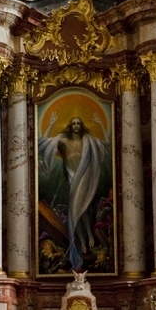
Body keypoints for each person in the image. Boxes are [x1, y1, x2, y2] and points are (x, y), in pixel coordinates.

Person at [38, 113, 110, 270]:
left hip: (84, 177)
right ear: (70, 127)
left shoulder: (89, 141)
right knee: (75, 211)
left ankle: (88, 236)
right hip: (72, 179)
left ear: (81, 126)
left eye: (78, 123)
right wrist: (51, 124)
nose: (76, 126)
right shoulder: (64, 141)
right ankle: (83, 240)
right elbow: (43, 143)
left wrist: (100, 126)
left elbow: (106, 145)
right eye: (74, 124)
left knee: (82, 208)